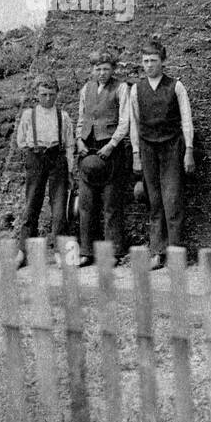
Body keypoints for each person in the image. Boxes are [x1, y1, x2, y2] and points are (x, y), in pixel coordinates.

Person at [129, 40, 195, 270]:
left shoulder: (176, 87)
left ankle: (176, 253)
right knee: (155, 202)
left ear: (163, 62)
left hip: (172, 148)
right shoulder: (136, 89)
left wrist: (189, 151)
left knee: (172, 200)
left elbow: (187, 120)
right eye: (145, 61)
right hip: (148, 149)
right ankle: (157, 252)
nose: (149, 66)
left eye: (153, 61)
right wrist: (136, 153)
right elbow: (134, 124)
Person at [14, 74, 76, 269]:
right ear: (36, 95)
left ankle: (60, 252)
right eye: (43, 94)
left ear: (57, 94)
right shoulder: (28, 115)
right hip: (36, 158)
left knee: (59, 209)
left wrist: (70, 169)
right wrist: (33, 153)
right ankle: (23, 252)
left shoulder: (62, 116)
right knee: (32, 204)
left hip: (57, 159)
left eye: (51, 94)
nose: (48, 98)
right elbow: (21, 141)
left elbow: (69, 144)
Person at [75, 49, 131, 267]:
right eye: (97, 69)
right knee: (86, 205)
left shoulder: (121, 88)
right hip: (88, 150)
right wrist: (79, 140)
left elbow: (125, 121)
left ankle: (113, 252)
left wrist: (112, 144)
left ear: (113, 69)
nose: (101, 73)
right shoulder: (85, 89)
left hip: (111, 152)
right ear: (92, 69)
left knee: (111, 204)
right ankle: (87, 251)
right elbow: (82, 118)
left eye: (106, 69)